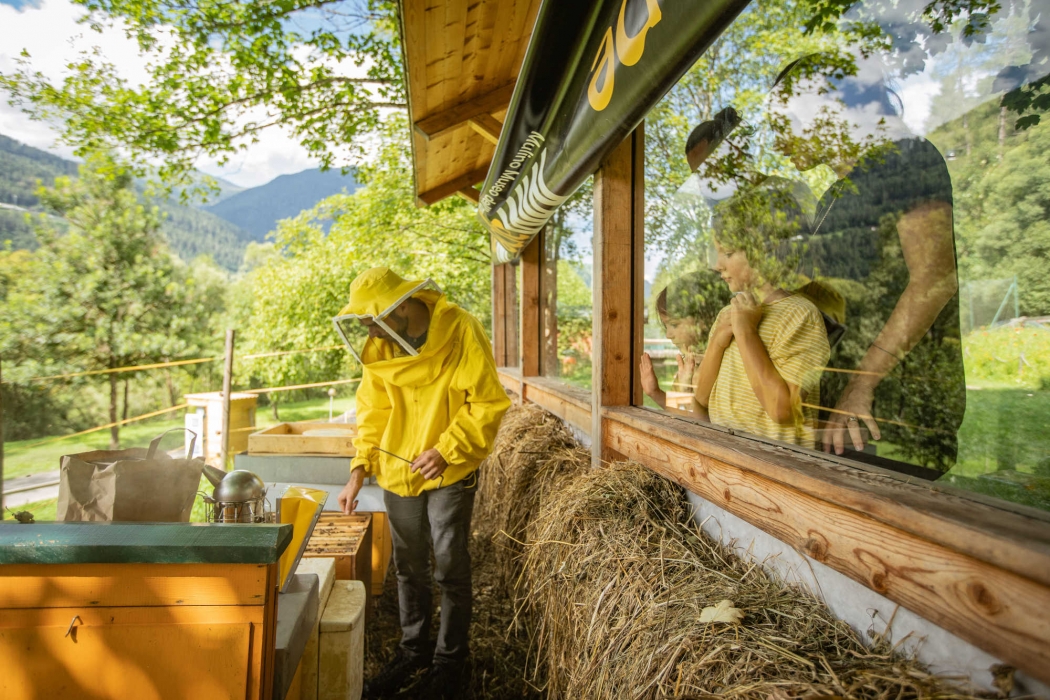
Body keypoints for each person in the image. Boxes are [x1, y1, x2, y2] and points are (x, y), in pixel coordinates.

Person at [770, 52, 965, 471]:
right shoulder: (831, 197)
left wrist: (861, 386)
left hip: (889, 412)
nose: (778, 140)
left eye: (785, 121)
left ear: (825, 106)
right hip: (835, 410)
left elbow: (934, 279)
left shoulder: (906, 156)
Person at [332, 267, 511, 699]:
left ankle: (450, 662)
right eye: (363, 324)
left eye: (373, 319)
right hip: (397, 473)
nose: (369, 330)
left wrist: (447, 448)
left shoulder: (461, 328)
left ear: (403, 306)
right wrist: (358, 469)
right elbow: (372, 412)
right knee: (408, 567)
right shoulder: (379, 347)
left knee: (449, 565)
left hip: (449, 471)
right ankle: (413, 650)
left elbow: (487, 401)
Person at [693, 180, 831, 448]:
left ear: (764, 252)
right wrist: (719, 341)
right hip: (726, 464)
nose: (717, 265)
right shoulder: (728, 313)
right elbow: (700, 398)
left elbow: (782, 410)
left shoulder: (800, 316)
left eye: (728, 253)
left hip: (773, 472)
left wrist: (746, 333)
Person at [640, 270, 732, 409]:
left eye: (674, 324)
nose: (668, 335)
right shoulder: (690, 362)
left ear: (704, 320)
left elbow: (714, 421)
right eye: (666, 327)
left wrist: (687, 391)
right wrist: (655, 392)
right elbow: (678, 411)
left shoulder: (728, 360)